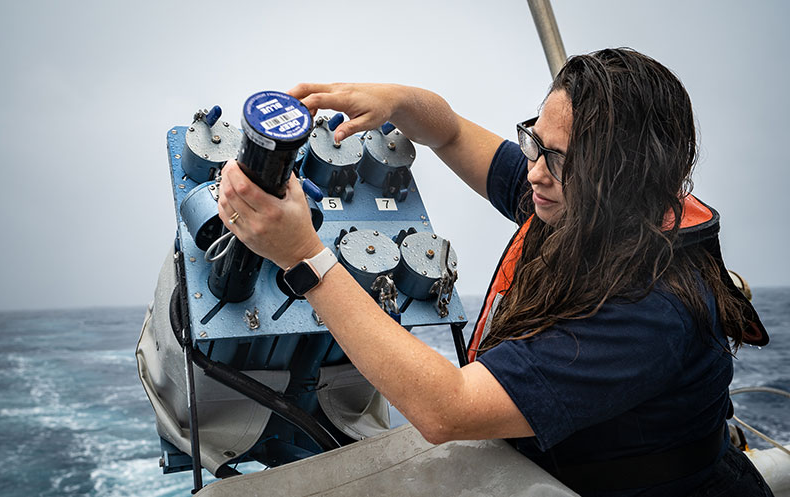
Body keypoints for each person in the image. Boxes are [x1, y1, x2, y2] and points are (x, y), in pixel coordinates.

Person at [216, 48, 773, 496]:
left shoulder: (649, 310)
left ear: (624, 177)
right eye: (536, 142)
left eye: (560, 160)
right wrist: (396, 101)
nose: (533, 173)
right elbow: (451, 133)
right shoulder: (576, 202)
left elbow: (448, 410)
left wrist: (305, 257)